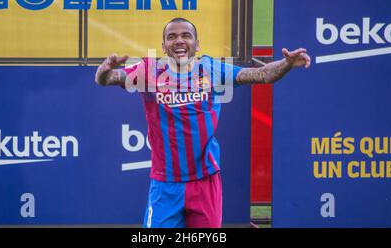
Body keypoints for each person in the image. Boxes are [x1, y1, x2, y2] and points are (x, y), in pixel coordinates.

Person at [95, 17, 311, 228]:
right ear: (164, 46)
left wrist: (287, 63)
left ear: (197, 44)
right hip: (165, 185)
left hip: (205, 182)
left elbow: (262, 74)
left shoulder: (212, 70)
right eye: (172, 37)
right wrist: (104, 72)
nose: (179, 41)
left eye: (186, 36)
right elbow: (108, 79)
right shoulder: (148, 71)